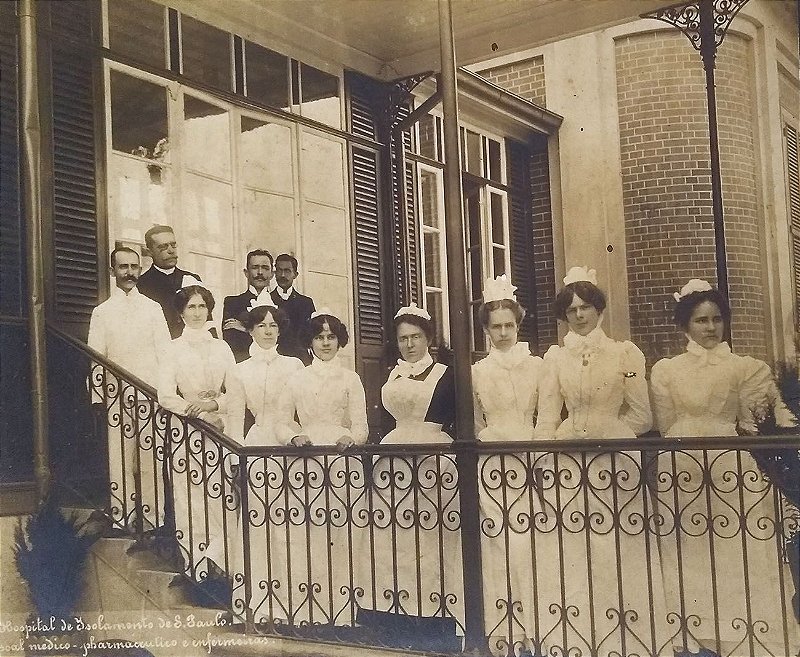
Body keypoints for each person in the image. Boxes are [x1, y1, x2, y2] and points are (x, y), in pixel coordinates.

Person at [650, 279, 798, 657]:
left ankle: (742, 631)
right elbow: (666, 424)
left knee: (735, 548)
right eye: (701, 321)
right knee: (689, 548)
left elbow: (757, 420)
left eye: (717, 319)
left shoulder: (745, 368)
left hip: (729, 463)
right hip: (681, 464)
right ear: (685, 325)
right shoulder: (667, 370)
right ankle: (695, 630)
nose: (711, 328)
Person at [532, 266, 665, 657]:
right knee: (571, 546)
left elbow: (643, 416)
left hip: (613, 463)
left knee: (616, 543)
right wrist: (543, 459)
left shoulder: (625, 353)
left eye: (585, 307)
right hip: (569, 463)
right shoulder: (555, 358)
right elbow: (547, 415)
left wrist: (607, 433)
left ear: (598, 309)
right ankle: (573, 633)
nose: (578, 315)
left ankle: (626, 634)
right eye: (571, 309)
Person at [366, 304, 463, 631]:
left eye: (416, 337)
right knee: (394, 532)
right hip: (394, 458)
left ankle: (435, 610)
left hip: (431, 458)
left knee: (430, 532)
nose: (409, 344)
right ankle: (393, 607)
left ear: (428, 339)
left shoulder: (444, 375)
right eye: (403, 338)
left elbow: (456, 420)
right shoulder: (392, 373)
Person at [275, 309, 368, 624]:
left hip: (341, 460)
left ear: (339, 340)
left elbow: (362, 426)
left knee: (340, 532)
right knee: (306, 531)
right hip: (307, 459)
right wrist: (294, 435)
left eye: (331, 337)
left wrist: (350, 437)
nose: (326, 343)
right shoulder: (296, 377)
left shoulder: (350, 377)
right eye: (319, 337)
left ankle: (340, 611)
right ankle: (305, 607)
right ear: (310, 342)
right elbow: (281, 420)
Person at [471, 276, 544, 655]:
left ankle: (536, 626)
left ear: (518, 326)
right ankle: (503, 629)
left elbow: (546, 415)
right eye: (495, 326)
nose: (502, 333)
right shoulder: (478, 371)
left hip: (531, 459)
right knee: (497, 541)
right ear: (486, 330)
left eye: (508, 326)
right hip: (494, 462)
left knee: (531, 543)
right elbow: (477, 423)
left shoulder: (537, 366)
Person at [157, 278, 243, 581]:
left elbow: (235, 392)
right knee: (190, 498)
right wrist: (197, 412)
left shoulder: (222, 348)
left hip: (219, 431)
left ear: (209, 311)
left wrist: (214, 407)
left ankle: (222, 567)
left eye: (202, 306)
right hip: (188, 432)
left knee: (221, 498)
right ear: (181, 312)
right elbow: (165, 395)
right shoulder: (172, 349)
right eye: (191, 306)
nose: (197, 312)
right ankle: (196, 568)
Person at [227, 290, 305, 624]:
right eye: (261, 325)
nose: (268, 331)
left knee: (292, 522)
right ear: (251, 329)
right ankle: (259, 603)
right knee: (258, 524)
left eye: (273, 325)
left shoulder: (295, 365)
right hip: (257, 446)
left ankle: (294, 601)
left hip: (290, 446)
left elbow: (306, 409)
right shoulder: (239, 370)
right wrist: (235, 459)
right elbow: (232, 420)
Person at [87, 247, 171, 531]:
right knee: (120, 457)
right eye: (123, 267)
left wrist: (165, 393)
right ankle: (122, 517)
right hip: (116, 396)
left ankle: (152, 520)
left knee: (151, 459)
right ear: (113, 271)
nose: (129, 272)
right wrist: (98, 397)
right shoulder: (102, 313)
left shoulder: (153, 308)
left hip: (150, 395)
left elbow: (165, 354)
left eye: (134, 267)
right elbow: (96, 358)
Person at [138, 225, 205, 338]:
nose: (171, 251)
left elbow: (207, 320)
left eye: (173, 245)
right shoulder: (141, 285)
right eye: (163, 247)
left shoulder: (192, 279)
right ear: (150, 252)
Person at [222, 249, 275, 363]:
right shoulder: (233, 303)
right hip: (244, 368)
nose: (260, 272)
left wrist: (245, 328)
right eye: (255, 267)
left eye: (265, 268)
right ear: (246, 273)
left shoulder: (281, 304)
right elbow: (232, 341)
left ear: (272, 274)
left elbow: (287, 342)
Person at [270, 253, 315, 364]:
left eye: (287, 271)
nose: (283, 275)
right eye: (279, 270)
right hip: (275, 359)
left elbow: (313, 333)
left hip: (300, 360)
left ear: (295, 274)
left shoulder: (306, 303)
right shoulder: (267, 299)